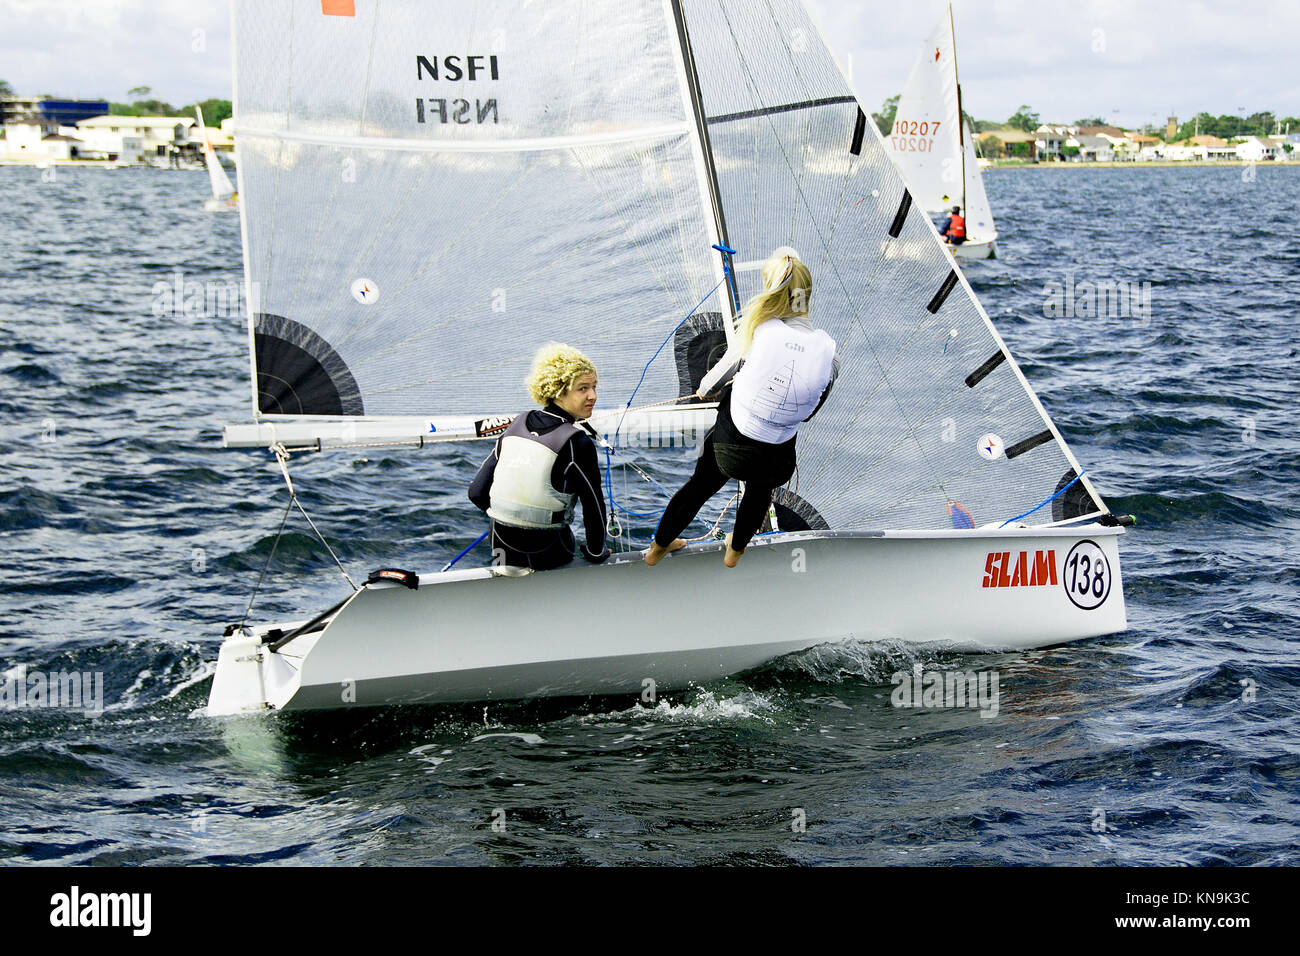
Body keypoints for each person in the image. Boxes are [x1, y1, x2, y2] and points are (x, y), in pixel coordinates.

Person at [645, 247, 836, 569]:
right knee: (760, 490)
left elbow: (710, 384)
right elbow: (815, 403)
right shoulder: (829, 350)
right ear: (807, 295)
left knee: (701, 485)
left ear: (770, 290)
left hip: (731, 447)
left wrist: (710, 391)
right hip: (778, 458)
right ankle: (736, 550)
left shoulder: (758, 331)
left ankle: (658, 548)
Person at [469, 343, 610, 571]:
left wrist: (512, 517)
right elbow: (593, 507)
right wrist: (596, 552)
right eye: (582, 389)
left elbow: (476, 492)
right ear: (558, 389)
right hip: (549, 550)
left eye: (594, 387)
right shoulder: (577, 443)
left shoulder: (517, 425)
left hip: (501, 544)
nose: (593, 395)